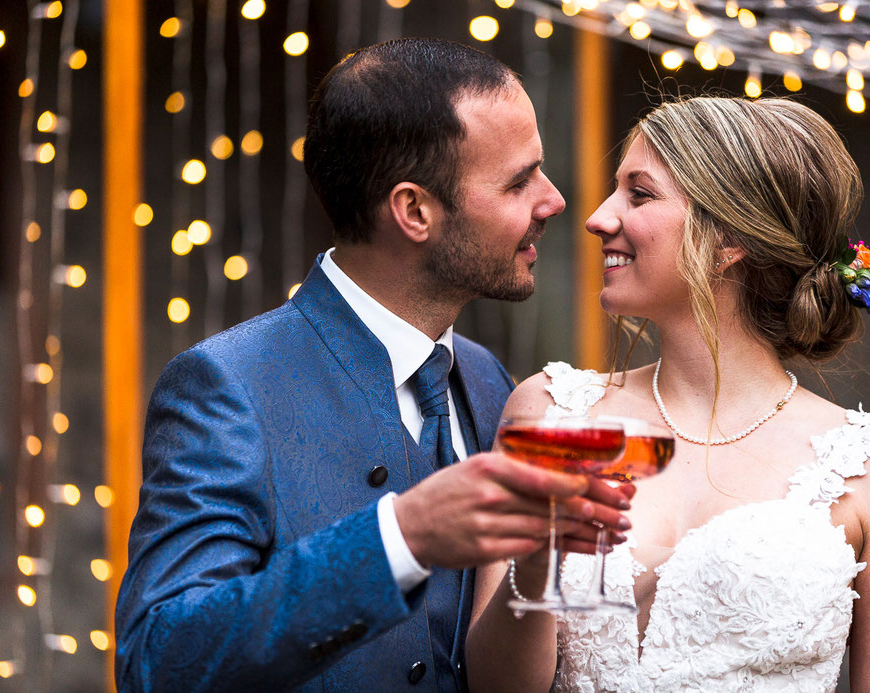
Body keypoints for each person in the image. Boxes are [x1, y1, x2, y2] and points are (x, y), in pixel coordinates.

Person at [114, 38, 632, 692]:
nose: (553, 200)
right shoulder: (228, 386)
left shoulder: (488, 382)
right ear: (414, 210)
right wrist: (401, 538)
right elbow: (156, 660)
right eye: (518, 180)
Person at [467, 96, 870, 691]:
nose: (597, 217)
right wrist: (537, 566)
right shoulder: (549, 410)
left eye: (638, 194)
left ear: (729, 240)